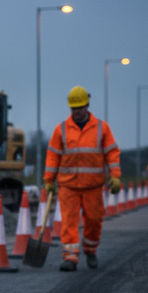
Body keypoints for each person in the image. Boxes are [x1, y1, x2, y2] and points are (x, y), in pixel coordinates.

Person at [44, 86, 121, 272]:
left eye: (80, 108)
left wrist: (115, 176)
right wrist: (49, 180)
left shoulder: (102, 128)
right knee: (69, 223)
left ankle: (90, 249)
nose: (77, 112)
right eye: (73, 108)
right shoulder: (61, 130)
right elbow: (53, 156)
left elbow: (112, 153)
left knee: (94, 220)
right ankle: (70, 257)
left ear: (87, 105)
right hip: (68, 185)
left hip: (92, 186)